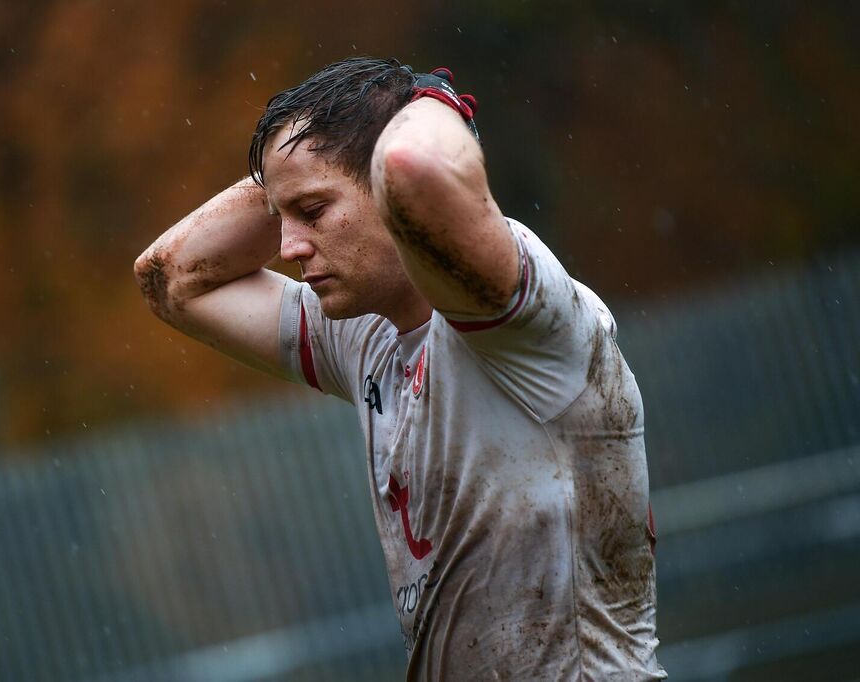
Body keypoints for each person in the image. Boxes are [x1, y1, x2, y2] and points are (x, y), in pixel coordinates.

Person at [134, 56, 665, 680]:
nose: (287, 248)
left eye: (313, 211)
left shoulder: (517, 319)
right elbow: (172, 276)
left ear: (384, 191)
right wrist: (290, 170)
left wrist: (427, 104)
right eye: (281, 219)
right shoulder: (362, 335)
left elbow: (415, 169)